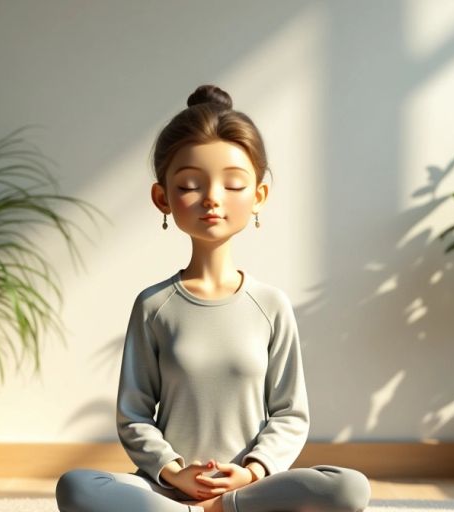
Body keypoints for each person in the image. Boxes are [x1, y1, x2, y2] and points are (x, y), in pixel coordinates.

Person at [56, 85, 371, 512]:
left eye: (234, 184)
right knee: (77, 486)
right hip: (166, 491)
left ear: (258, 195)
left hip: (252, 489)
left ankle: (220, 509)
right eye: (189, 185)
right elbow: (133, 416)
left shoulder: (271, 305)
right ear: (162, 198)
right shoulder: (153, 307)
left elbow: (290, 415)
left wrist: (254, 471)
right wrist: (173, 470)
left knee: (348, 488)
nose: (212, 199)